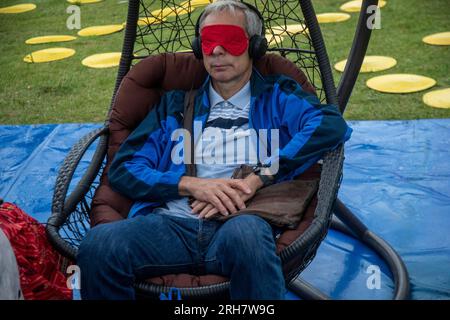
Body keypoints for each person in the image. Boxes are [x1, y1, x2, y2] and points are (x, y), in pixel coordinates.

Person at [77, 0, 352, 300]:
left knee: (249, 238)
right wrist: (191, 186)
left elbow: (329, 125)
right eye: (209, 41)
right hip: (170, 225)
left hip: (241, 224)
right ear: (199, 48)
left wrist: (258, 178)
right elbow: (124, 168)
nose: (217, 51)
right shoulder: (174, 107)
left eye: (230, 40)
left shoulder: (279, 96)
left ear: (255, 46)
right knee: (98, 245)